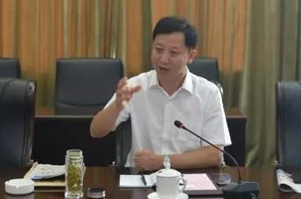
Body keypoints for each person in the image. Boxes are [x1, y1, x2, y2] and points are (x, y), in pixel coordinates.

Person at [90, 16, 231, 171]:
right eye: (158, 50)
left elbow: (215, 155)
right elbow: (96, 131)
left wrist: (162, 161)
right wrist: (116, 107)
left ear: (191, 56)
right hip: (141, 177)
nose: (163, 59)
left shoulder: (208, 93)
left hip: (189, 178)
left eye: (173, 53)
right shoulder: (135, 87)